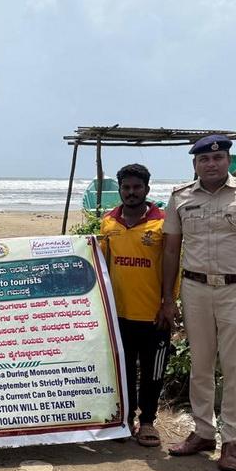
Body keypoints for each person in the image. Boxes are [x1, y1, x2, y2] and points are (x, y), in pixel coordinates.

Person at [158, 135, 236, 471]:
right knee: (200, 366)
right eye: (203, 160)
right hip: (195, 289)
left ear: (228, 161)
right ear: (195, 164)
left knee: (235, 368)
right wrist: (168, 299)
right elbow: (171, 250)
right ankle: (203, 433)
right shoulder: (180, 197)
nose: (210, 164)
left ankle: (232, 443)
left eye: (217, 159)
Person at [100, 164, 171, 448]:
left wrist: (168, 303)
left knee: (153, 371)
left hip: (154, 313)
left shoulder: (164, 223)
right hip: (119, 313)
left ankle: (149, 421)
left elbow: (172, 265)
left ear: (147, 190)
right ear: (119, 190)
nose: (131, 192)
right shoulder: (108, 222)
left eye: (136, 187)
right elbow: (102, 264)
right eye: (126, 188)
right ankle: (125, 419)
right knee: (124, 369)